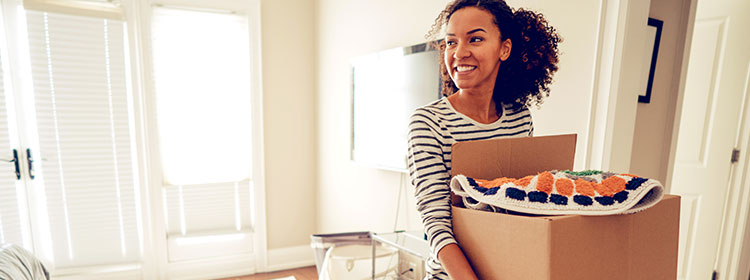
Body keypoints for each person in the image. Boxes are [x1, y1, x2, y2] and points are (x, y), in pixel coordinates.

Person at [407, 0, 561, 279]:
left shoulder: (519, 119)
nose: (459, 53)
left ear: (505, 48)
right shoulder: (429, 123)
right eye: (451, 42)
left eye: (475, 39)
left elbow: (521, 206)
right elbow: (437, 226)